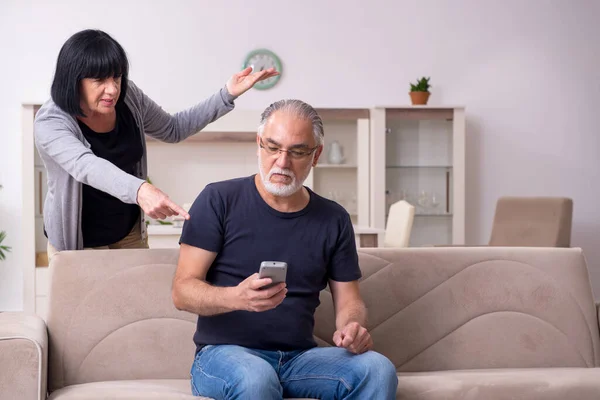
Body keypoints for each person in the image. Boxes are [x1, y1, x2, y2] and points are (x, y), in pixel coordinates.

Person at [172, 99, 398, 399]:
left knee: (378, 369)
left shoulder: (334, 219)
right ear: (258, 144)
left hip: (300, 358)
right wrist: (237, 297)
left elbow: (350, 301)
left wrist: (352, 326)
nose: (282, 162)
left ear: (316, 155)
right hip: (223, 355)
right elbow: (182, 291)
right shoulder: (218, 200)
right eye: (273, 147)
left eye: (297, 151)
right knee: (256, 378)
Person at [34, 29, 277, 260]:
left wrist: (226, 94)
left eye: (116, 77)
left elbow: (173, 129)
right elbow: (85, 165)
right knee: (85, 305)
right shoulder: (51, 121)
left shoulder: (128, 98)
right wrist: (141, 190)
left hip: (127, 234)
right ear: (73, 80)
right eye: (99, 80)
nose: (113, 89)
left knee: (136, 303)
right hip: (78, 242)